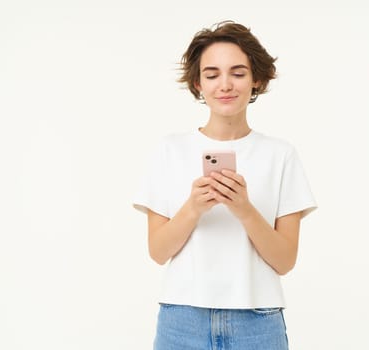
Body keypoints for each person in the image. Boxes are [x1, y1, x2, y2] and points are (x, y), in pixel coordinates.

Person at [133, 20, 317, 350]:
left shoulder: (280, 154)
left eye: (238, 72)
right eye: (212, 74)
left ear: (256, 79)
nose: (225, 84)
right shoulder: (169, 150)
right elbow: (158, 252)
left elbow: (285, 260)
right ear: (197, 83)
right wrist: (193, 208)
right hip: (182, 319)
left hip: (258, 322)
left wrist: (244, 210)